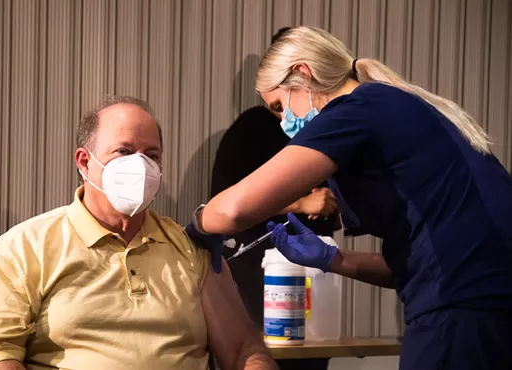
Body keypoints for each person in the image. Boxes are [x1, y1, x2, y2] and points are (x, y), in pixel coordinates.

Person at [186, 26, 512, 370]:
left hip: (462, 312)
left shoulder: (354, 110)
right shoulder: (400, 106)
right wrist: (331, 258)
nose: (284, 124)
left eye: (280, 106)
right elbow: (412, 266)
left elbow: (233, 210)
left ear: (301, 72)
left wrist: (191, 232)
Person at [0, 95, 278, 370]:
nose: (140, 166)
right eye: (124, 152)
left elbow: (242, 349)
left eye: (151, 155)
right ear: (85, 162)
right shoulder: (25, 247)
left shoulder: (190, 248)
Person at [211, 27, 338, 370]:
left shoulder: (331, 130)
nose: (286, 121)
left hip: (313, 271)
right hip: (258, 273)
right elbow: (225, 201)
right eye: (276, 108)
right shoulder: (250, 129)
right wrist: (300, 204)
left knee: (311, 357)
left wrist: (332, 203)